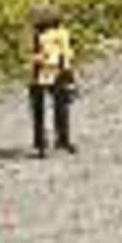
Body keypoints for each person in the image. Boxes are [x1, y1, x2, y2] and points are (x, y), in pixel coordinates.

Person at [25, 9, 78, 155]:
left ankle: (46, 142)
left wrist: (41, 59)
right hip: (50, 72)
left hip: (47, 73)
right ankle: (57, 140)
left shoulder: (47, 35)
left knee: (44, 109)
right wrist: (69, 74)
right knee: (57, 108)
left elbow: (64, 53)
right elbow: (66, 54)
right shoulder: (59, 34)